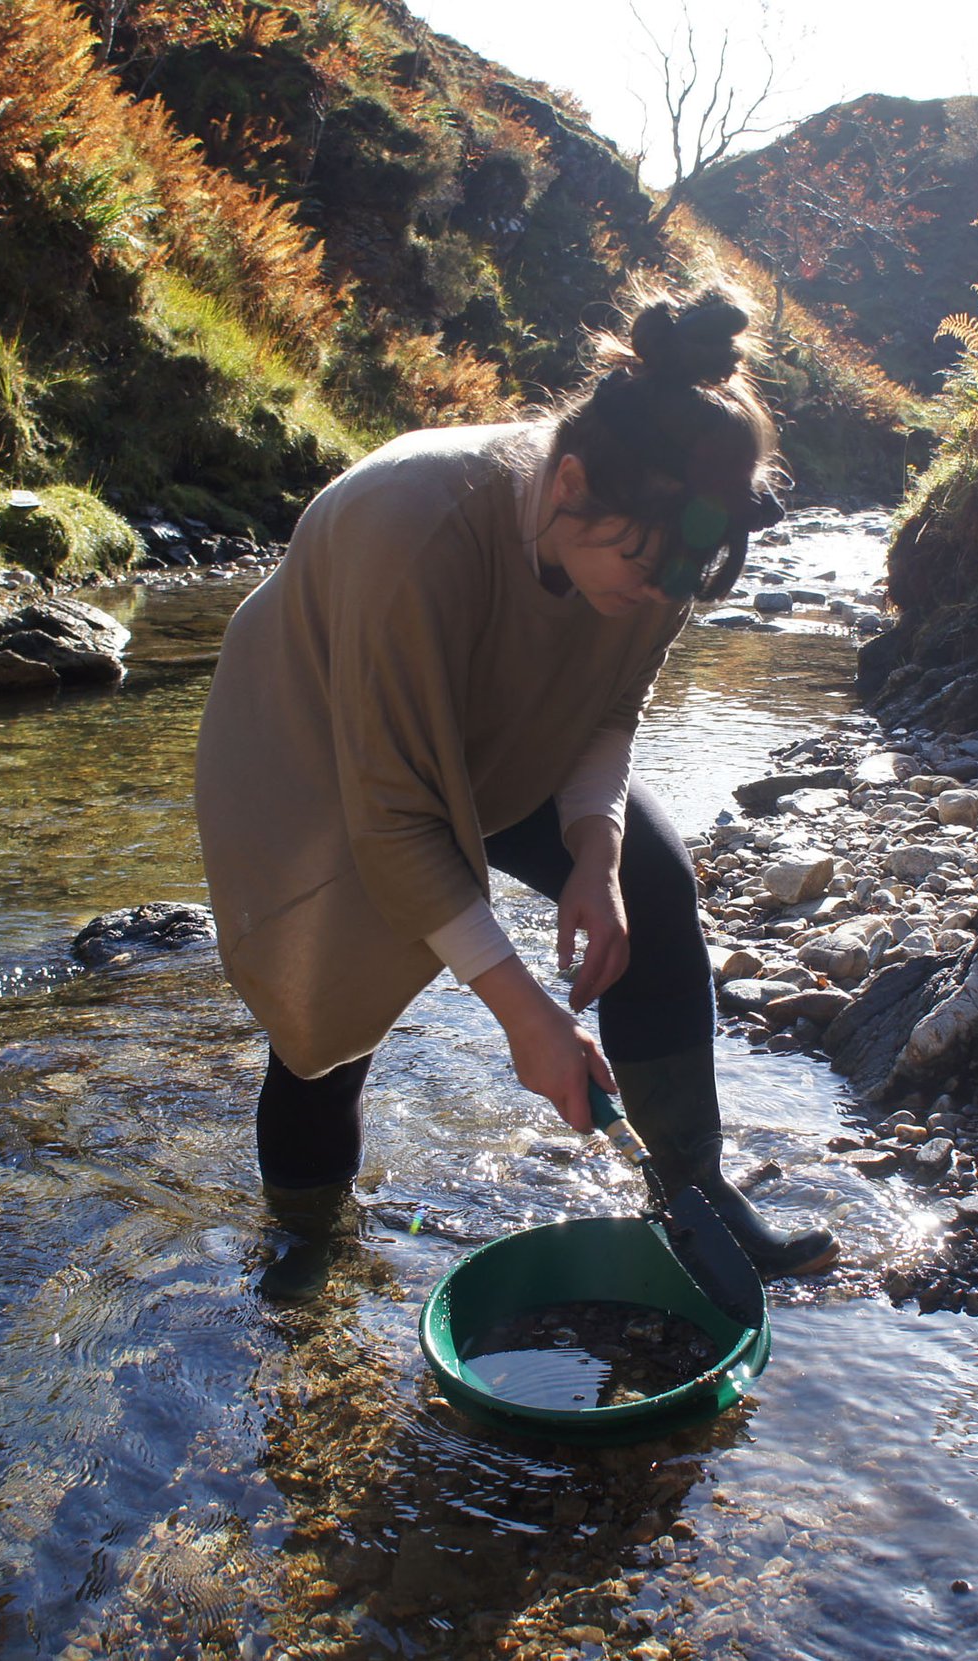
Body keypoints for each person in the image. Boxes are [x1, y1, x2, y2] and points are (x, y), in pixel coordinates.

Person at [194, 284, 839, 1294]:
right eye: (645, 569)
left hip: (508, 723)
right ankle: (305, 1246)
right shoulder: (409, 525)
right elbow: (396, 816)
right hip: (323, 745)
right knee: (327, 1014)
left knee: (653, 890)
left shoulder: (656, 540)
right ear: (569, 480)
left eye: (684, 576)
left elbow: (607, 708)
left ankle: (692, 1194)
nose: (658, 597)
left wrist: (595, 848)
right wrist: (524, 1013)